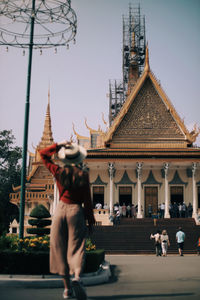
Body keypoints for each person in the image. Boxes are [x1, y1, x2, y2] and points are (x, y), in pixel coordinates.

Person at [40, 141, 95, 300]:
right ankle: (77, 277)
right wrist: (90, 220)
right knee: (76, 248)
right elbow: (88, 201)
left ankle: (67, 289)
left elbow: (43, 155)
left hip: (60, 210)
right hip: (76, 211)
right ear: (78, 159)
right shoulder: (83, 175)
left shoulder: (58, 171)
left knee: (59, 249)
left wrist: (58, 145)